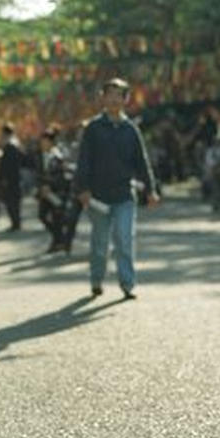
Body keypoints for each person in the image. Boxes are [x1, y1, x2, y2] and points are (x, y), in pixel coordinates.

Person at [74, 78, 159, 299]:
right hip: (98, 197)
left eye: (118, 95)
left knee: (124, 239)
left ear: (125, 99)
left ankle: (127, 284)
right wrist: (82, 189)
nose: (113, 99)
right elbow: (83, 160)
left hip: (124, 195)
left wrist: (151, 189)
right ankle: (96, 280)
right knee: (100, 244)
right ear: (102, 97)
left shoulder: (131, 130)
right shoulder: (93, 128)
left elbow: (142, 161)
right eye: (109, 94)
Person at [36, 128, 70, 253]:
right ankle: (59, 239)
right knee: (42, 216)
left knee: (57, 218)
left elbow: (60, 176)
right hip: (44, 192)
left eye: (44, 141)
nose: (42, 144)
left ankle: (58, 241)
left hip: (55, 192)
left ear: (50, 142)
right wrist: (41, 187)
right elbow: (39, 173)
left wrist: (50, 186)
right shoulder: (40, 156)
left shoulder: (57, 156)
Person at [0, 123, 24, 231]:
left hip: (11, 178)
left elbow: (7, 165)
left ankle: (15, 222)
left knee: (11, 200)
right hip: (16, 177)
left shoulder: (10, 146)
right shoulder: (16, 144)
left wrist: (3, 177)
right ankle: (16, 221)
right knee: (14, 200)